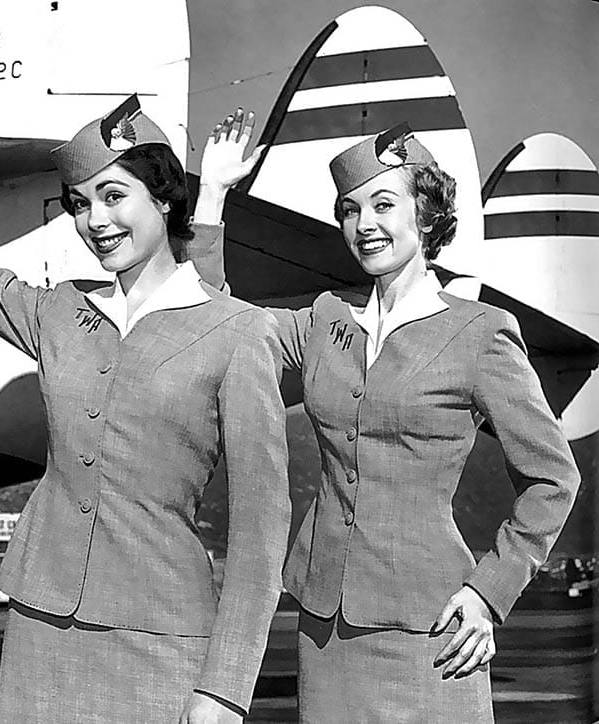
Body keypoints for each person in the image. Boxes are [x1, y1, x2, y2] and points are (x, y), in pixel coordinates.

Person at [0, 16, 290, 723]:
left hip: (163, 638)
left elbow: (262, 524)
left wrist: (225, 687)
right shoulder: (56, 314)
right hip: (42, 627)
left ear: (164, 199)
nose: (93, 220)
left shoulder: (236, 331)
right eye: (79, 203)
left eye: (113, 196)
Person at [192, 112, 581, 722]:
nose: (364, 224)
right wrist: (212, 195)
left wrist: (489, 593)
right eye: (349, 209)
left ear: (425, 216)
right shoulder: (325, 318)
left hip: (434, 630)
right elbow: (216, 325)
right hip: (325, 628)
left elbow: (555, 478)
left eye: (383, 204)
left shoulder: (480, 334)